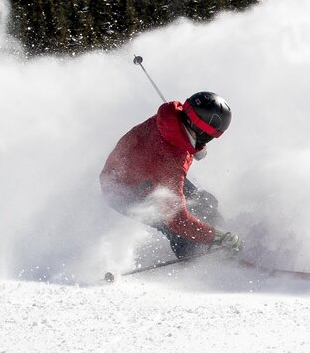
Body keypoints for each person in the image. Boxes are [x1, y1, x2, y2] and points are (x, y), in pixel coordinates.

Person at [101, 92, 243, 259]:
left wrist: (194, 146)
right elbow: (177, 220)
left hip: (140, 172)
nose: (209, 141)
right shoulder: (172, 162)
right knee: (185, 238)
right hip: (125, 191)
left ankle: (225, 238)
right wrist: (215, 236)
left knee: (204, 203)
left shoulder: (171, 118)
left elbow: (171, 141)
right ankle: (200, 258)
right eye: (210, 137)